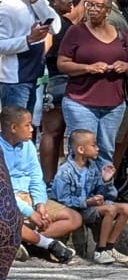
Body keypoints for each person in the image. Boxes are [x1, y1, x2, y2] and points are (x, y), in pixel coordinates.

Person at [56, 0, 128, 169]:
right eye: (89, 5)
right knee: (82, 151)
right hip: (80, 101)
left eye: (98, 6)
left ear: (107, 11)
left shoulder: (119, 34)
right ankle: (78, 191)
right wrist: (87, 68)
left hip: (114, 104)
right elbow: (62, 63)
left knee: (106, 150)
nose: (92, 9)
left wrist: (125, 66)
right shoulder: (75, 32)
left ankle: (102, 192)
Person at [2, 105, 79, 263]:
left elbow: (36, 177)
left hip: (29, 197)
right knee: (9, 219)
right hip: (8, 200)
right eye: (27, 125)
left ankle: (24, 241)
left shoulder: (28, 146)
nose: (32, 129)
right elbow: (4, 191)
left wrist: (40, 204)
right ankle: (47, 244)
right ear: (13, 127)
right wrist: (30, 212)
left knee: (74, 218)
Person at [51, 129, 128, 264]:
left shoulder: (92, 167)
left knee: (125, 208)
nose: (97, 149)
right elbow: (62, 200)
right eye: (93, 145)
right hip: (75, 210)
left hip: (90, 206)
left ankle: (110, 247)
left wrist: (106, 181)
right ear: (81, 149)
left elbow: (99, 190)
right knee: (110, 210)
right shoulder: (65, 171)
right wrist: (87, 202)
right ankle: (100, 250)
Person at [0, 0, 58, 112]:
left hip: (35, 76)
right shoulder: (8, 6)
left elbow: (55, 26)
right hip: (15, 80)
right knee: (15, 130)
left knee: (30, 128)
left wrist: (35, 0)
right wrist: (27, 40)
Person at [38, 0, 80, 181]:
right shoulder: (58, 25)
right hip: (56, 78)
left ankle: (50, 177)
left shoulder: (55, 22)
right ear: (53, 0)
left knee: (52, 132)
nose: (70, 2)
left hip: (52, 78)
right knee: (52, 131)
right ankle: (48, 177)